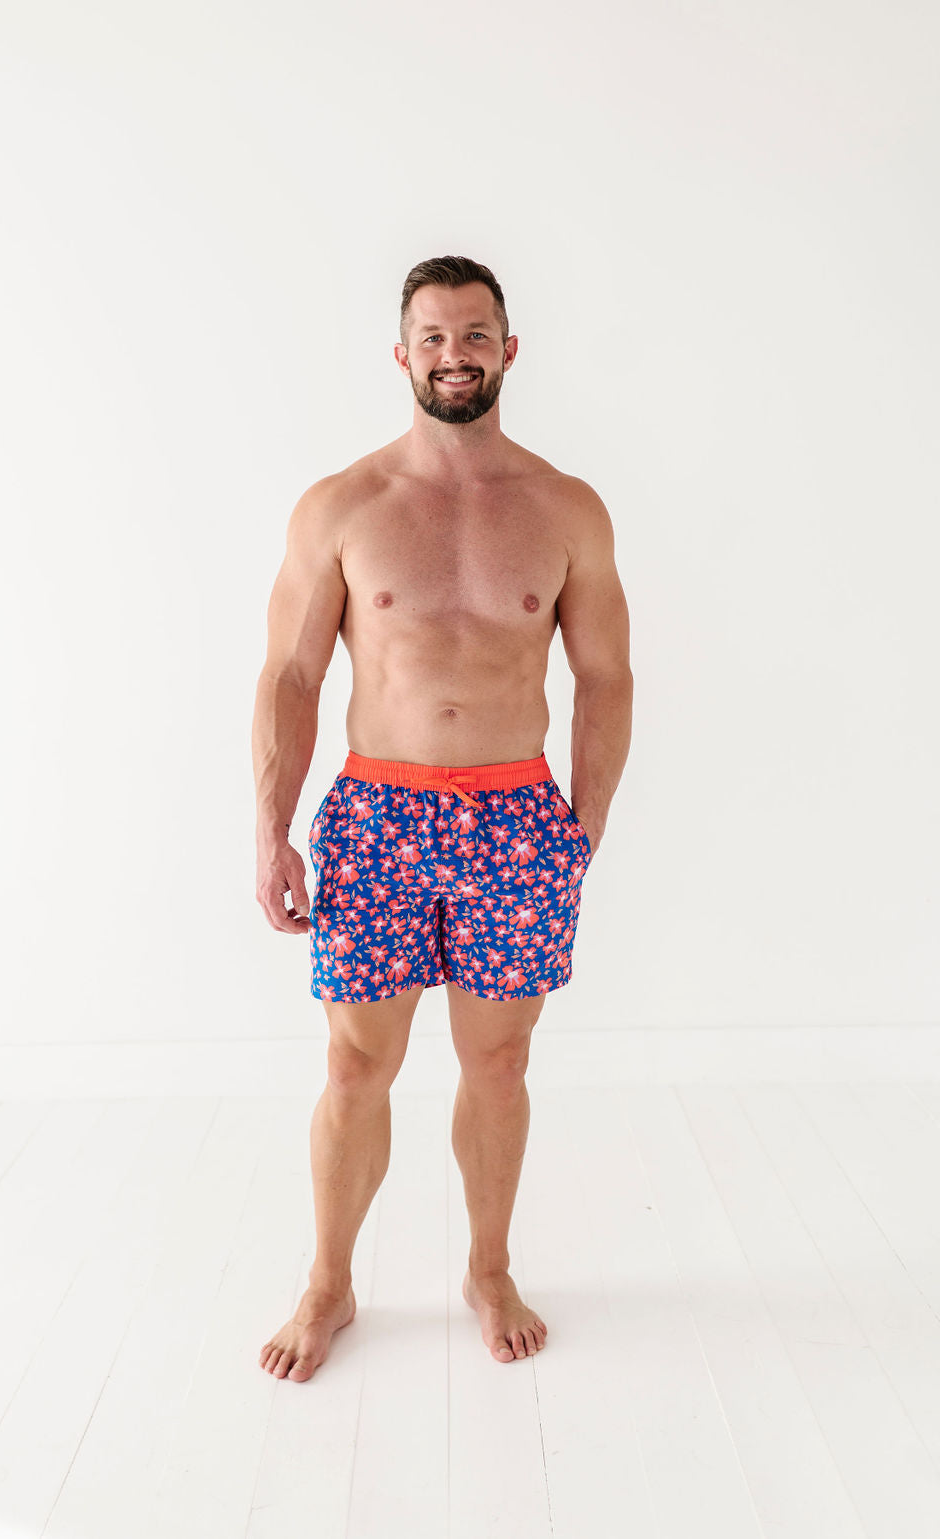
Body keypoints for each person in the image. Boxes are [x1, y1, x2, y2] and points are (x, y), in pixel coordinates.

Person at [251, 254, 633, 1383]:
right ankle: (329, 1283)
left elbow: (606, 675)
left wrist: (582, 827)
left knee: (500, 1061)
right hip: (377, 814)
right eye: (433, 337)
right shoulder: (342, 506)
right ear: (402, 354)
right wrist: (271, 829)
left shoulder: (566, 507)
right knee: (354, 1065)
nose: (454, 355)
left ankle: (489, 1269)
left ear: (508, 350)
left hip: (517, 818)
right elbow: (290, 675)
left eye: (474, 335)